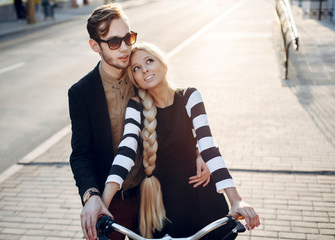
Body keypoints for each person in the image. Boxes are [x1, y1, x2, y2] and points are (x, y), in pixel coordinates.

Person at [68, 4, 210, 240]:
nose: (125, 47)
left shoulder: (143, 75)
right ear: (95, 46)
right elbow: (81, 154)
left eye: (128, 37)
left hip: (155, 194)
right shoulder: (81, 93)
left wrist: (197, 150)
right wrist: (91, 196)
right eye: (114, 42)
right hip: (111, 201)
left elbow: (176, 114)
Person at [102, 42, 261, 239]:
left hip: (199, 198)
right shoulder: (135, 106)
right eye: (136, 68)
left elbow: (207, 144)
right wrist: (102, 203)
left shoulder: (189, 96)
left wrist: (236, 199)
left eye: (149, 61)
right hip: (159, 204)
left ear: (163, 64)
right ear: (134, 78)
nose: (144, 70)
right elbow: (126, 150)